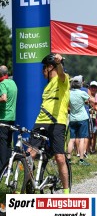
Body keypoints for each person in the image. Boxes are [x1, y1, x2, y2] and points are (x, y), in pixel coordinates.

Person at [28, 53, 70, 193]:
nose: (42, 71)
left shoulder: (62, 79)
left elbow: (62, 74)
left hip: (57, 122)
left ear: (51, 67)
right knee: (30, 154)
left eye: (44, 68)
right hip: (41, 121)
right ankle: (28, 185)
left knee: (59, 157)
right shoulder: (46, 87)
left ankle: (66, 191)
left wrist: (58, 64)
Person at [67, 76, 96, 165]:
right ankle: (81, 159)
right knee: (82, 139)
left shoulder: (69, 93)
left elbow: (67, 104)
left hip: (72, 118)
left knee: (71, 139)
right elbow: (92, 100)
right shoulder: (81, 93)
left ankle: (68, 158)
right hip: (82, 118)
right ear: (80, 85)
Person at [0, 65, 18, 172]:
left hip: (3, 117)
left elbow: (3, 98)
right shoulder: (13, 83)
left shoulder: (2, 84)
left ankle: (2, 168)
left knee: (2, 143)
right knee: (8, 143)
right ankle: (8, 168)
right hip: (12, 116)